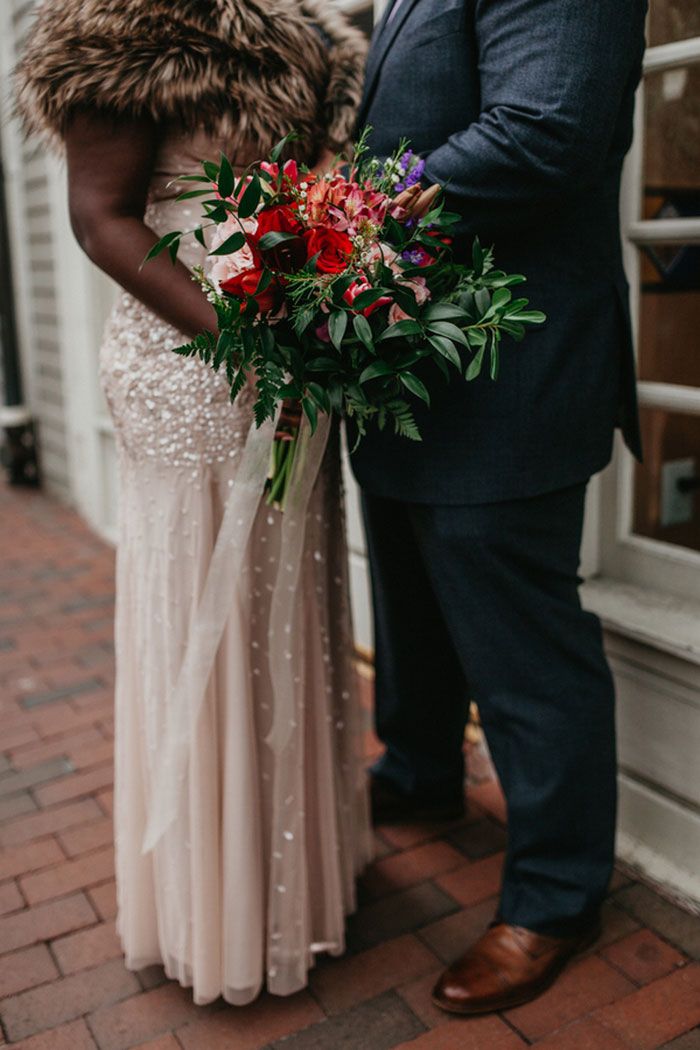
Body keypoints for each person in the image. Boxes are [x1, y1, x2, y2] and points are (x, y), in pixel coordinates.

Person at [15, 0, 372, 1006]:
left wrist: (324, 294)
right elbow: (100, 217)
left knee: (285, 598)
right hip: (190, 363)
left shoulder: (305, 33)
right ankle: (217, 907)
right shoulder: (114, 21)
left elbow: (311, 196)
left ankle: (299, 871)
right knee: (210, 618)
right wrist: (245, 342)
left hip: (291, 350)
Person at [352, 0, 647, 1014]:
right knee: (409, 593)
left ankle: (558, 897)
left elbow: (542, 131)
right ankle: (423, 766)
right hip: (408, 369)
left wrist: (344, 220)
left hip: (508, 368)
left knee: (523, 649)